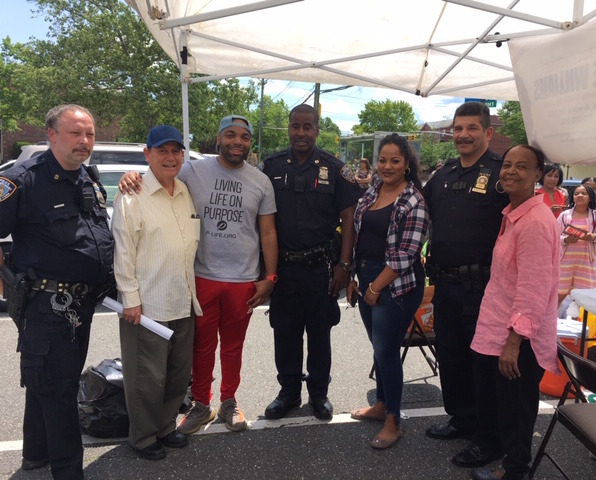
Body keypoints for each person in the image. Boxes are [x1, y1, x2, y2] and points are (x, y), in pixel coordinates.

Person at [119, 115, 278, 434]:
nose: (237, 141)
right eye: (230, 135)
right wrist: (132, 175)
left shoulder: (261, 181)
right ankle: (201, 404)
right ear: (218, 139)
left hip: (243, 280)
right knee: (201, 346)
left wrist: (269, 277)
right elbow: (162, 176)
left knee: (233, 347)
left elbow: (268, 233)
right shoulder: (194, 169)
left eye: (244, 137)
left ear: (249, 143)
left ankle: (229, 401)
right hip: (202, 277)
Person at [0, 104, 114, 479]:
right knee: (61, 390)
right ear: (51, 135)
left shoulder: (86, 177)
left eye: (90, 135)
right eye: (75, 134)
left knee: (47, 381)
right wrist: (6, 282)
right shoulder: (24, 178)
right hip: (46, 303)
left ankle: (35, 454)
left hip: (80, 304)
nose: (84, 142)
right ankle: (68, 473)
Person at [259, 104, 361, 421]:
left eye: (307, 127)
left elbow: (349, 219)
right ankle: (288, 392)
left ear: (317, 130)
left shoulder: (336, 169)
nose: (300, 133)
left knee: (319, 334)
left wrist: (345, 267)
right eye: (295, 126)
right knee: (285, 333)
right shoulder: (270, 167)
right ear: (288, 128)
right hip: (285, 268)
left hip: (321, 268)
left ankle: (319, 394)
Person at [465, 145, 561, 480]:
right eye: (507, 165)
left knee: (517, 410)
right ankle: (505, 461)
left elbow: (533, 290)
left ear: (538, 176)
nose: (510, 171)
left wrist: (514, 342)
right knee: (502, 404)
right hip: (498, 327)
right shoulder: (514, 213)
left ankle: (515, 471)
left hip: (519, 338)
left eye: (522, 166)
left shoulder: (535, 222)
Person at [422, 101, 509, 468]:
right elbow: (420, 216)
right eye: (458, 129)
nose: (463, 135)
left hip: (485, 288)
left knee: (483, 365)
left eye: (472, 128)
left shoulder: (504, 174)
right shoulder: (442, 176)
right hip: (445, 285)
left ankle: (489, 439)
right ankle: (461, 417)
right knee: (452, 356)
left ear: (487, 133)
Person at [112, 125, 201, 460]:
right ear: (147, 154)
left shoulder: (184, 191)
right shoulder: (131, 195)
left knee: (177, 375)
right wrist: (130, 299)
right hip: (147, 305)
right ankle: (143, 436)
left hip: (182, 299)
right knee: (146, 379)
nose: (170, 157)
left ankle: (165, 427)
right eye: (162, 150)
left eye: (176, 151)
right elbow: (123, 250)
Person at [346, 133, 428, 449]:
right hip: (367, 276)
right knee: (379, 346)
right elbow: (359, 237)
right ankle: (381, 404)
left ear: (407, 164)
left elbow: (406, 255)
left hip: (397, 284)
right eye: (383, 160)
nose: (387, 166)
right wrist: (356, 278)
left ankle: (393, 420)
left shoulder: (413, 200)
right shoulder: (371, 193)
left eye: (395, 160)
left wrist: (376, 287)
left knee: (386, 350)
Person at [557, 184, 596, 306]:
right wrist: (566, 240)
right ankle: (550, 320)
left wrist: (594, 237)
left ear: (591, 198)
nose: (579, 196)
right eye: (576, 194)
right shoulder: (564, 216)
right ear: (573, 197)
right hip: (565, 262)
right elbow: (554, 238)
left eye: (583, 193)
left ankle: (580, 322)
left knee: (585, 297)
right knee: (558, 294)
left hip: (586, 263)